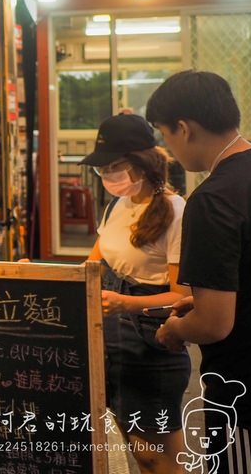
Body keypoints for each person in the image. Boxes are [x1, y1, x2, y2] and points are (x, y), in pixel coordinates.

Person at [147, 70, 251, 474]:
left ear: (184, 128)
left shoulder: (212, 198)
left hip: (242, 394)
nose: (169, 150)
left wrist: (174, 330)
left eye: (166, 135)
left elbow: (213, 324)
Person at [81, 113, 189, 474]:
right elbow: (91, 267)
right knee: (141, 452)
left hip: (152, 343)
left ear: (142, 162)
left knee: (160, 457)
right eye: (103, 168)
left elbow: (182, 297)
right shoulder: (117, 206)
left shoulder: (175, 211)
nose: (108, 175)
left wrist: (127, 303)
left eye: (115, 165)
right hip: (112, 342)